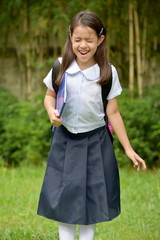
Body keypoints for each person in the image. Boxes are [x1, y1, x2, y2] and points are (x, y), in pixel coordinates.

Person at [37, 11, 147, 240]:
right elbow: (49, 96)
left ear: (100, 39)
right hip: (65, 140)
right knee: (64, 197)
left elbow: (113, 112)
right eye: (78, 39)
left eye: (89, 39)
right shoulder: (60, 66)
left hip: (96, 141)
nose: (83, 45)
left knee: (93, 198)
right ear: (70, 38)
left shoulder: (108, 72)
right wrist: (51, 112)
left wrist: (128, 149)